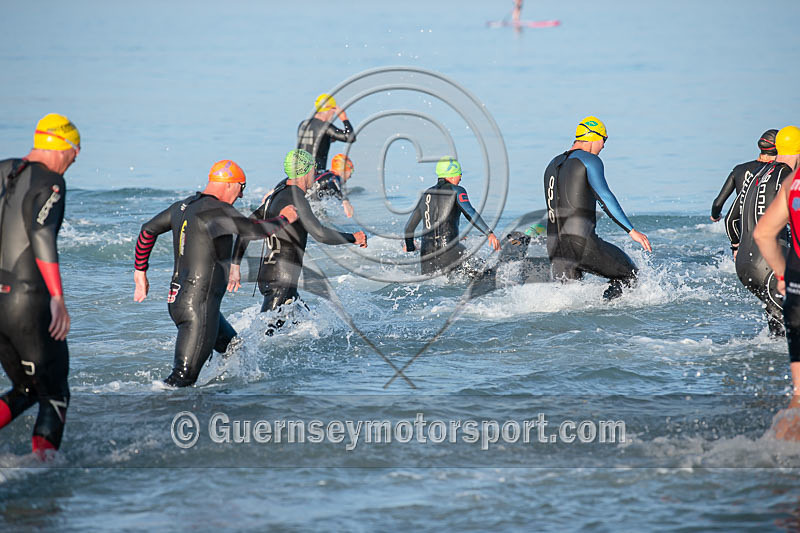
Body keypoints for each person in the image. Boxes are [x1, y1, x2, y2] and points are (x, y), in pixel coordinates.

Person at [133, 160, 298, 387]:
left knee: (235, 350)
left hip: (181, 301)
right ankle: (146, 412)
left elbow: (147, 231)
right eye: (242, 188)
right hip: (198, 308)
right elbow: (256, 230)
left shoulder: (184, 206)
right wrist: (286, 217)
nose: (241, 196)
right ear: (230, 184)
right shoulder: (218, 209)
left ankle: (219, 399)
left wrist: (140, 273)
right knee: (182, 378)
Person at [0, 113, 79, 459]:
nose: (73, 161)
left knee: (26, 387)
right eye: (74, 153)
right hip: (26, 300)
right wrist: (58, 297)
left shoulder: (3, 169)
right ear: (60, 146)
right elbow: (42, 234)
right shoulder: (50, 183)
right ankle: (41, 475)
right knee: (55, 392)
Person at [228, 149, 366, 325]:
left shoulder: (276, 194)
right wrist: (353, 238)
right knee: (263, 335)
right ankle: (234, 350)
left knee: (309, 325)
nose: (315, 173)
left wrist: (235, 265)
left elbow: (246, 230)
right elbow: (320, 234)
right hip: (282, 281)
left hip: (269, 276)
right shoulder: (298, 198)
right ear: (306, 171)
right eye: (313, 168)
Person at [543, 116, 652, 300]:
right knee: (630, 275)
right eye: (604, 139)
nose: (603, 146)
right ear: (593, 137)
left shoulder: (552, 165)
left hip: (556, 249)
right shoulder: (589, 160)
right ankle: (606, 313)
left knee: (569, 303)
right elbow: (604, 197)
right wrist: (631, 230)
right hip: (582, 244)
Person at [752, 125, 800, 439]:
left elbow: (761, 233)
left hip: (795, 291)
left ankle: (774, 452)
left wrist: (783, 275)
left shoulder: (791, 183)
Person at [726, 130, 795, 335]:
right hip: (770, 265)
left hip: (744, 267)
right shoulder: (790, 176)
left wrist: (736, 248)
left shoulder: (755, 174)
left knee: (778, 334)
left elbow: (730, 219)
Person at [404, 157, 501, 276]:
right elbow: (470, 213)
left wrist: (410, 248)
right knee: (486, 274)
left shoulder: (425, 195)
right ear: (452, 175)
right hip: (449, 250)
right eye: (459, 174)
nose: (460, 178)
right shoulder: (457, 190)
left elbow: (408, 229)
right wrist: (489, 233)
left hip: (426, 255)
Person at [711, 129, 778, 223]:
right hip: (768, 227)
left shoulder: (739, 170)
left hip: (743, 229)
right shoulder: (779, 172)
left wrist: (715, 216)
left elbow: (717, 204)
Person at [297, 94, 356, 171]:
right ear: (330, 109)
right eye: (333, 112)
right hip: (315, 173)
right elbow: (350, 137)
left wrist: (329, 139)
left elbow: (312, 142)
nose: (333, 115)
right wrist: (344, 118)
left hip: (299, 173)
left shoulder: (303, 124)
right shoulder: (324, 126)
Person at [308, 153, 355, 218]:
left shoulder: (324, 173)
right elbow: (331, 182)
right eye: (351, 171)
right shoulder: (334, 177)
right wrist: (345, 201)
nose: (350, 176)